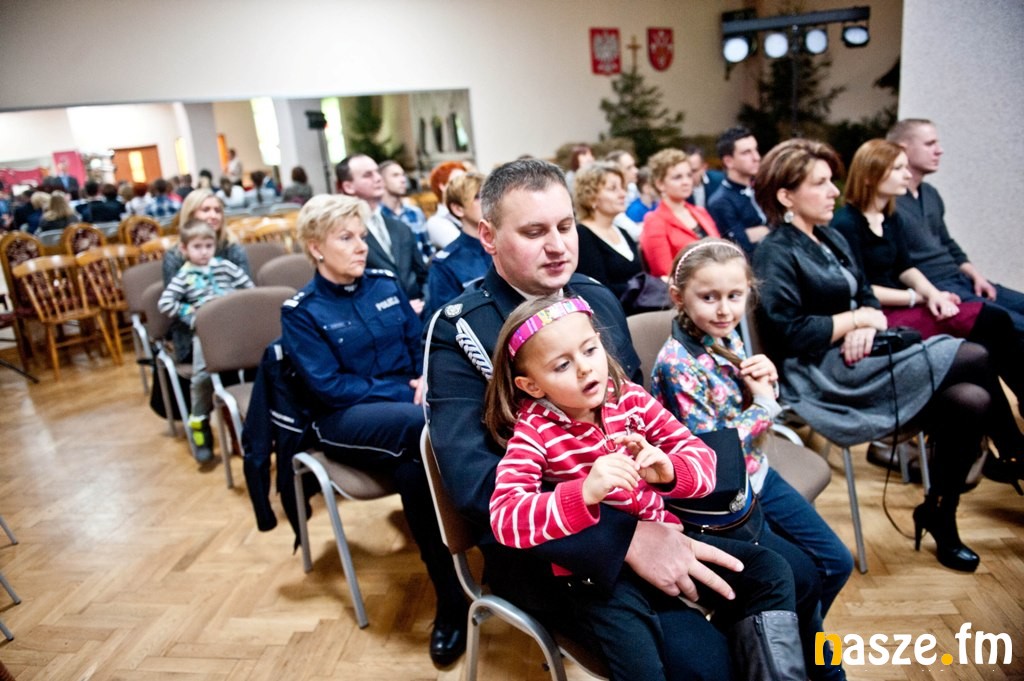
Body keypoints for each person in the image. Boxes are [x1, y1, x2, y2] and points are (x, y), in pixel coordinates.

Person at [426, 158, 758, 681]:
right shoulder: (461, 329)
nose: (558, 245)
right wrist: (628, 538)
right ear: (487, 236)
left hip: (655, 502)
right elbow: (478, 488)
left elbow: (640, 415)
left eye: (565, 226)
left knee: (807, 573)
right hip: (567, 552)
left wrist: (675, 481)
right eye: (534, 232)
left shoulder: (594, 295)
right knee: (711, 667)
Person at [486, 294, 806, 681]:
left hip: (666, 541)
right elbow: (505, 518)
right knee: (643, 669)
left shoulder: (630, 399)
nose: (585, 368)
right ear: (532, 386)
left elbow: (704, 461)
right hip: (602, 579)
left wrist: (670, 470)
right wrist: (583, 493)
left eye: (590, 349)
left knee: (771, 571)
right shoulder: (533, 432)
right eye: (562, 365)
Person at [752, 138, 1024, 573]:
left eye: (832, 181)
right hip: (820, 374)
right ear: (786, 197)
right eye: (820, 183)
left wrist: (866, 321)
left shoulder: (830, 236)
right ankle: (1014, 453)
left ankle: (940, 512)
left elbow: (867, 296)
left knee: (972, 400)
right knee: (973, 355)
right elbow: (788, 333)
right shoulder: (775, 251)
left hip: (860, 356)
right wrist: (855, 320)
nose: (834, 192)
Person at [281, 193, 467, 666]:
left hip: (404, 412)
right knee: (419, 426)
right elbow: (329, 387)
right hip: (341, 419)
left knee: (413, 465)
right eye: (346, 238)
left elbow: (417, 341)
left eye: (361, 236)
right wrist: (404, 392)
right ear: (316, 248)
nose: (361, 246)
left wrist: (425, 376)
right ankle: (469, 576)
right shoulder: (301, 311)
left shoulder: (384, 283)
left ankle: (454, 592)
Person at [653, 238, 852, 679]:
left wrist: (764, 381)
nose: (725, 309)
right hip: (722, 500)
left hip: (756, 475)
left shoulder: (725, 335)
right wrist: (764, 404)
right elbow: (711, 452)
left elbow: (741, 406)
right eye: (709, 297)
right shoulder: (677, 363)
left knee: (833, 564)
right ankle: (812, 665)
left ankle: (793, 651)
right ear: (678, 297)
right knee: (805, 576)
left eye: (735, 295)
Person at [887, 119, 1024, 334]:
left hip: (961, 278)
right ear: (903, 149)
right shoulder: (888, 201)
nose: (939, 151)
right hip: (936, 285)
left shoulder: (930, 193)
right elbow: (896, 264)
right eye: (930, 144)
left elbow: (947, 243)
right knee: (1014, 324)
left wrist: (977, 277)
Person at [162, 189, 252, 460]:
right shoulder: (178, 261)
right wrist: (198, 316)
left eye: (217, 210)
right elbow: (170, 304)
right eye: (205, 209)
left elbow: (248, 291)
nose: (213, 215)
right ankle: (206, 425)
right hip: (195, 332)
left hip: (235, 325)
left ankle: (256, 428)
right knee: (209, 374)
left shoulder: (229, 253)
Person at [336, 154, 427, 312]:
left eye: (377, 172)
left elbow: (424, 276)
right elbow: (348, 289)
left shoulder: (400, 227)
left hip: (419, 313)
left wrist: (425, 303)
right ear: (349, 187)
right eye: (368, 175)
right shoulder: (343, 234)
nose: (378, 178)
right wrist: (400, 308)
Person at [641, 148, 720, 278]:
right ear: (660, 184)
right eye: (677, 177)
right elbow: (664, 272)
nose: (686, 182)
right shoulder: (655, 221)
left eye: (689, 175)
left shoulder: (700, 212)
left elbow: (720, 250)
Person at [423, 172, 490, 320]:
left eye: (489, 194)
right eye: (477, 197)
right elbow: (446, 321)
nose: (487, 201)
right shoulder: (445, 264)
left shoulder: (506, 247)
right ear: (458, 208)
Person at [572, 162, 642, 300]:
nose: (623, 194)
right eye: (612, 189)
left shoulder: (622, 231)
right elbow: (598, 289)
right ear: (591, 197)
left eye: (622, 188)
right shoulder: (582, 236)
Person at [707, 127, 769, 255]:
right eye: (746, 152)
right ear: (728, 161)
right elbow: (741, 245)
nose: (756, 157)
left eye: (756, 150)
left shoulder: (764, 188)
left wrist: (763, 231)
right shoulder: (721, 202)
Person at [379, 160, 431, 262]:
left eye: (403, 175)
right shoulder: (377, 216)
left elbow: (427, 249)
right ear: (382, 181)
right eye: (395, 175)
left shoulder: (415, 213)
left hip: (421, 268)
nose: (403, 180)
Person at [424, 160, 467, 250]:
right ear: (442, 186)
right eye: (458, 181)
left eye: (466, 181)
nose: (465, 186)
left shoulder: (470, 212)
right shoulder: (436, 222)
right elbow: (463, 250)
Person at [686, 145, 725, 209]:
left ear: (704, 167)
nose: (688, 176)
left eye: (694, 171)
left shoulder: (719, 180)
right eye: (686, 172)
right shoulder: (678, 188)